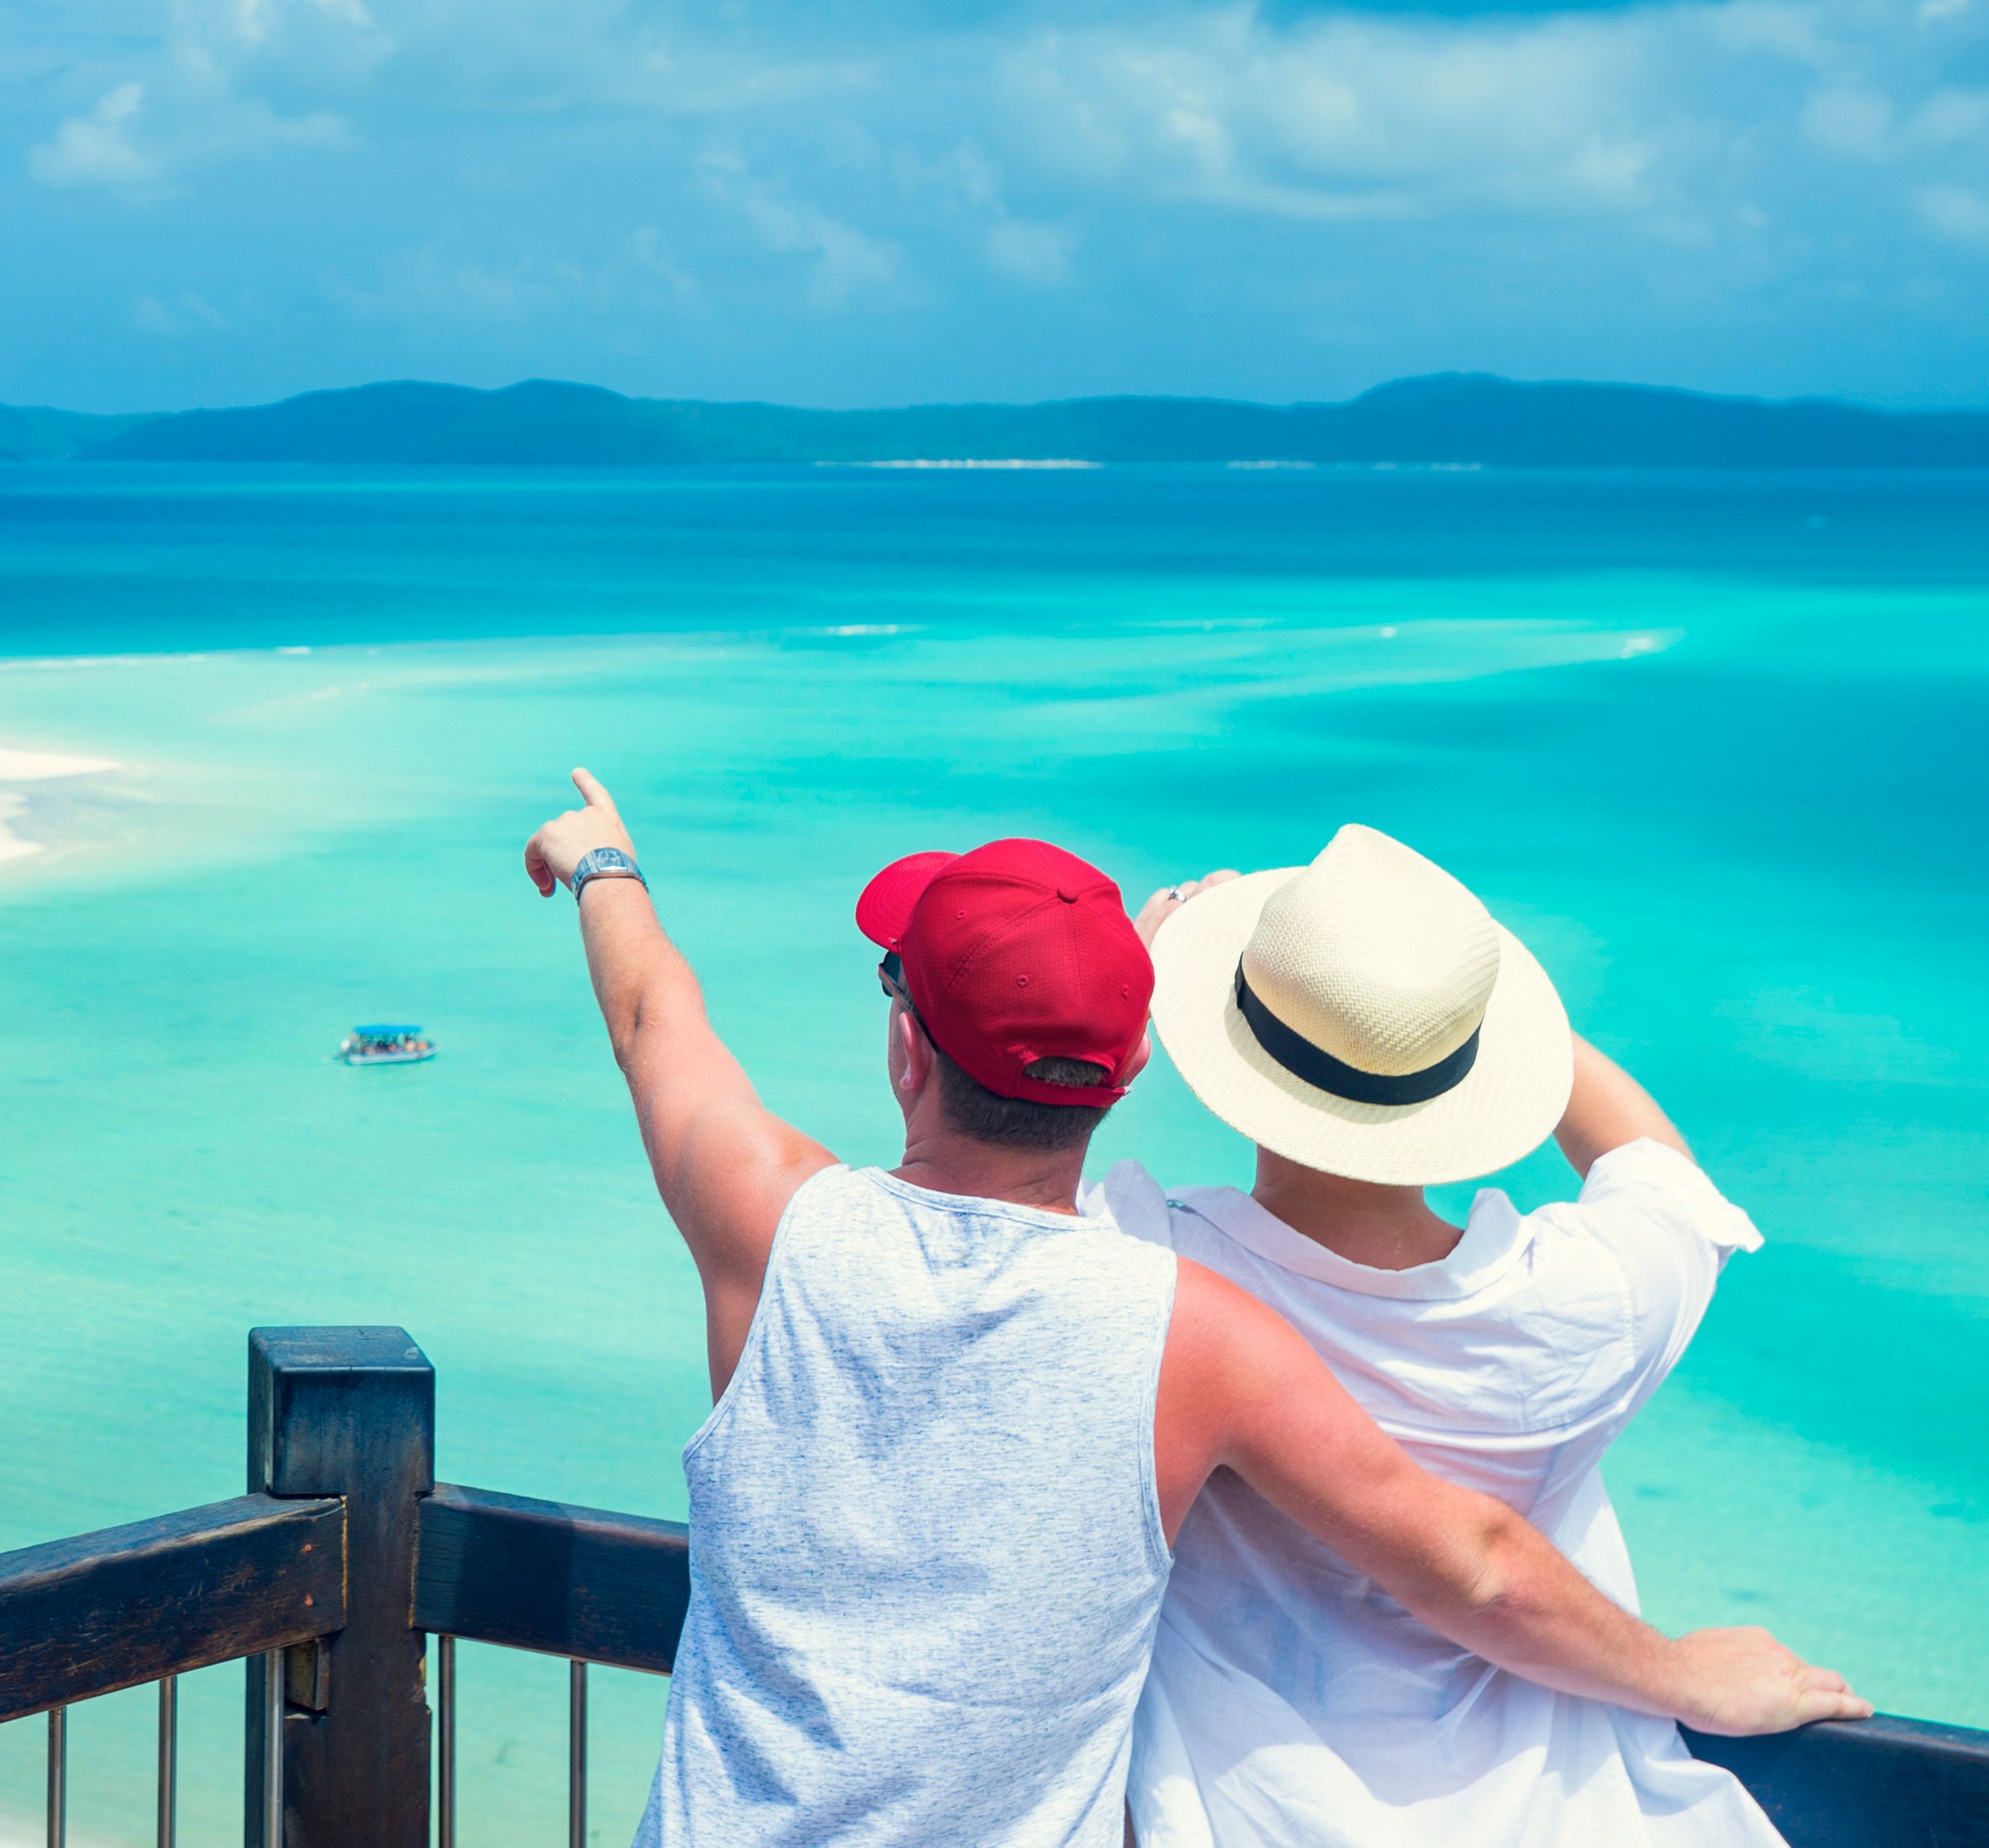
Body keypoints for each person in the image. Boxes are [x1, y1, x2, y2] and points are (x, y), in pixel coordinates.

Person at [517, 773, 1862, 1848]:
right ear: (1135, 1065)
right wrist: (1688, 1680)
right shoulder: (1189, 1329)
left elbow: (653, 1019)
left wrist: (603, 866)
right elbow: (1474, 1561)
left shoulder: (772, 1218)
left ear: (905, 1047)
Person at [1113, 825, 1794, 1847]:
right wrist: (1457, 1005)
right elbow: (1660, 1170)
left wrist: (1127, 979)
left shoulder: (1148, 1273)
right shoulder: (1592, 1297)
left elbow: (1012, 1174)